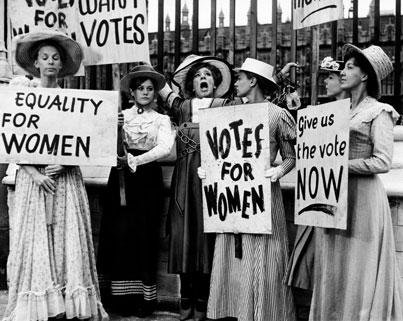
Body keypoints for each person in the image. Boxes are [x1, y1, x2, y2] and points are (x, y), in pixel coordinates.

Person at [3, 30, 108, 321]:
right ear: (35, 63)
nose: (50, 62)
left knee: (66, 237)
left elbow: (86, 142)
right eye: (45, 57)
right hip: (33, 181)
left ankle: (64, 302)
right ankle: (37, 305)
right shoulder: (23, 96)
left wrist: (65, 163)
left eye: (56, 58)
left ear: (62, 65)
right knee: (36, 239)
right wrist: (33, 172)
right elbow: (10, 138)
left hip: (64, 180)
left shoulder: (71, 100)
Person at [309, 44, 403, 321]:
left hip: (363, 198)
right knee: (335, 260)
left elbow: (382, 161)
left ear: (365, 76)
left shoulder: (380, 111)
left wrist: (341, 165)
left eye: (350, 67)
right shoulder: (338, 110)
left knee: (359, 264)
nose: (343, 70)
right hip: (334, 194)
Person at [200, 58, 296, 321]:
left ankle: (265, 313)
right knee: (233, 253)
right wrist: (210, 169)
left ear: (253, 80)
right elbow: (220, 150)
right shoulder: (230, 113)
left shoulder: (277, 115)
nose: (236, 82)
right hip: (233, 196)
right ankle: (235, 310)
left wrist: (278, 171)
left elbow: (291, 156)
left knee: (265, 255)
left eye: (240, 77)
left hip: (262, 195)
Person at [158, 55, 235, 321]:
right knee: (183, 235)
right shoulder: (182, 107)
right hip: (183, 181)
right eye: (198, 75)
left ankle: (203, 297)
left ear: (216, 84)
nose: (203, 79)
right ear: (191, 83)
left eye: (208, 76)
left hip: (212, 180)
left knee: (206, 237)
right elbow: (159, 85)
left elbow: (257, 106)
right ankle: (186, 296)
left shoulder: (226, 105)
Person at [96, 63, 175, 317]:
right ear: (132, 91)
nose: (145, 92)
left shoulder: (162, 119)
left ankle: (143, 300)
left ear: (155, 93)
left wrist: (135, 160)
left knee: (143, 233)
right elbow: (98, 142)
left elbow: (164, 148)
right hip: (119, 176)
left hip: (146, 179)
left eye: (150, 89)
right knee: (118, 233)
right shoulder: (121, 116)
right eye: (140, 88)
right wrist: (113, 129)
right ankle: (116, 299)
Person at [286, 56, 348, 291]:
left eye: (330, 77)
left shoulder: (352, 112)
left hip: (339, 196)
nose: (325, 82)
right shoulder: (321, 112)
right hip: (317, 196)